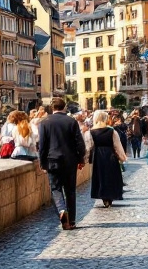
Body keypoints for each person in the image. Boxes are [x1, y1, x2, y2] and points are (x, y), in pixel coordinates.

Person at [38, 97, 85, 230]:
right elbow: (79, 143)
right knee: (70, 190)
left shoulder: (45, 122)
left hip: (53, 160)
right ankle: (72, 221)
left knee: (56, 188)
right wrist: (81, 159)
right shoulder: (71, 121)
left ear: (52, 108)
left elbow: (42, 146)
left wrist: (42, 163)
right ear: (64, 107)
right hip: (70, 160)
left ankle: (61, 210)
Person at [84, 110, 127, 208]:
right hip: (110, 155)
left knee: (100, 176)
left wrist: (85, 159)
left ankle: (104, 197)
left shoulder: (90, 132)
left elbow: (88, 147)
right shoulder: (112, 131)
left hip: (98, 156)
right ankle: (110, 196)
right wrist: (122, 157)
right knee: (111, 176)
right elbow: (117, 145)